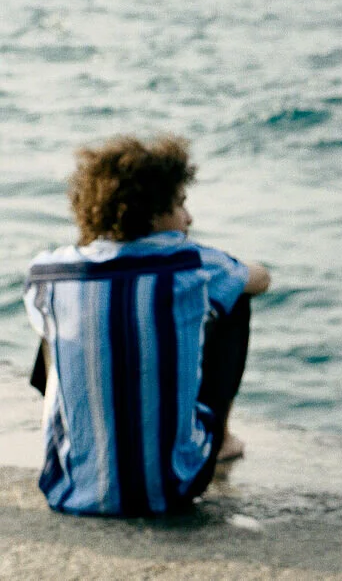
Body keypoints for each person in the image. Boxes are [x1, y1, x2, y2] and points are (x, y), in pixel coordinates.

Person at [23, 133, 270, 515]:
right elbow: (261, 279)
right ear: (153, 213)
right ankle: (219, 440)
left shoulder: (47, 273)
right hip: (172, 488)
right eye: (180, 204)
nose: (189, 218)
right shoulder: (193, 265)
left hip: (69, 490)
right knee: (235, 297)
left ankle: (85, 440)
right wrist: (228, 272)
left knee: (58, 315)